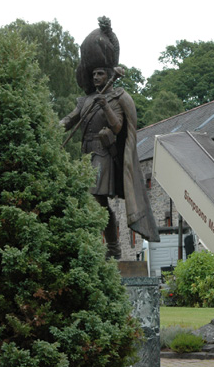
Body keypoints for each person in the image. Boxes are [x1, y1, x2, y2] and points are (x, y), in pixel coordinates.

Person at [60, 17, 159, 259]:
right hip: (86, 156)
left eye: (100, 74)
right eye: (93, 74)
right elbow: (69, 119)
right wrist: (52, 128)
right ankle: (104, 247)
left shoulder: (115, 98)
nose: (96, 78)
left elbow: (117, 127)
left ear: (108, 75)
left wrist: (105, 106)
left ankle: (112, 247)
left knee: (97, 202)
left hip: (103, 157)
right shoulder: (84, 100)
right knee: (89, 203)